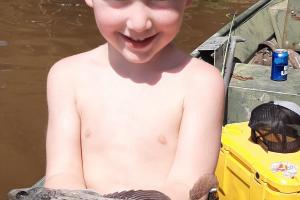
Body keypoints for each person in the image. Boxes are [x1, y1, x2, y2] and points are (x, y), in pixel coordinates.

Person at [44, 0, 225, 199]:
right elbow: (62, 174)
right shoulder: (66, 76)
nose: (139, 23)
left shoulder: (202, 82)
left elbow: (186, 184)